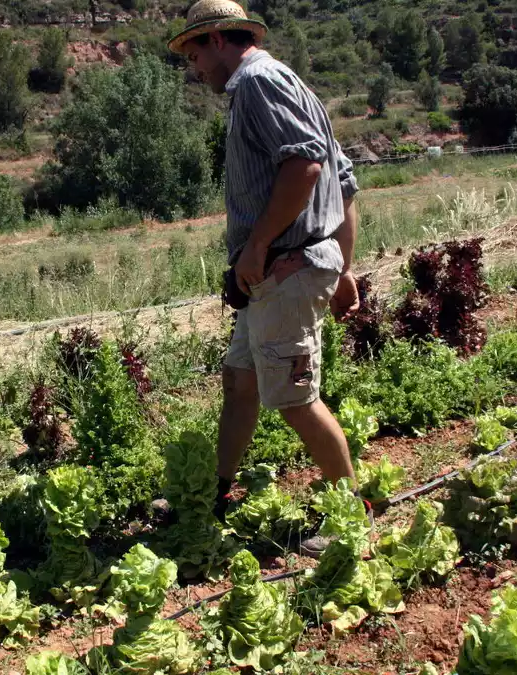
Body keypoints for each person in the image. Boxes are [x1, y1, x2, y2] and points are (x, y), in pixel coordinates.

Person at [168, 0, 365, 553]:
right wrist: (343, 268)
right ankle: (219, 490)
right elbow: (344, 184)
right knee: (241, 381)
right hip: (279, 273)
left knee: (295, 397)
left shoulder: (257, 83)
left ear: (218, 40)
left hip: (285, 269)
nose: (195, 68)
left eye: (195, 54)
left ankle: (348, 519)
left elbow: (306, 167)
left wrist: (257, 245)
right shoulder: (288, 84)